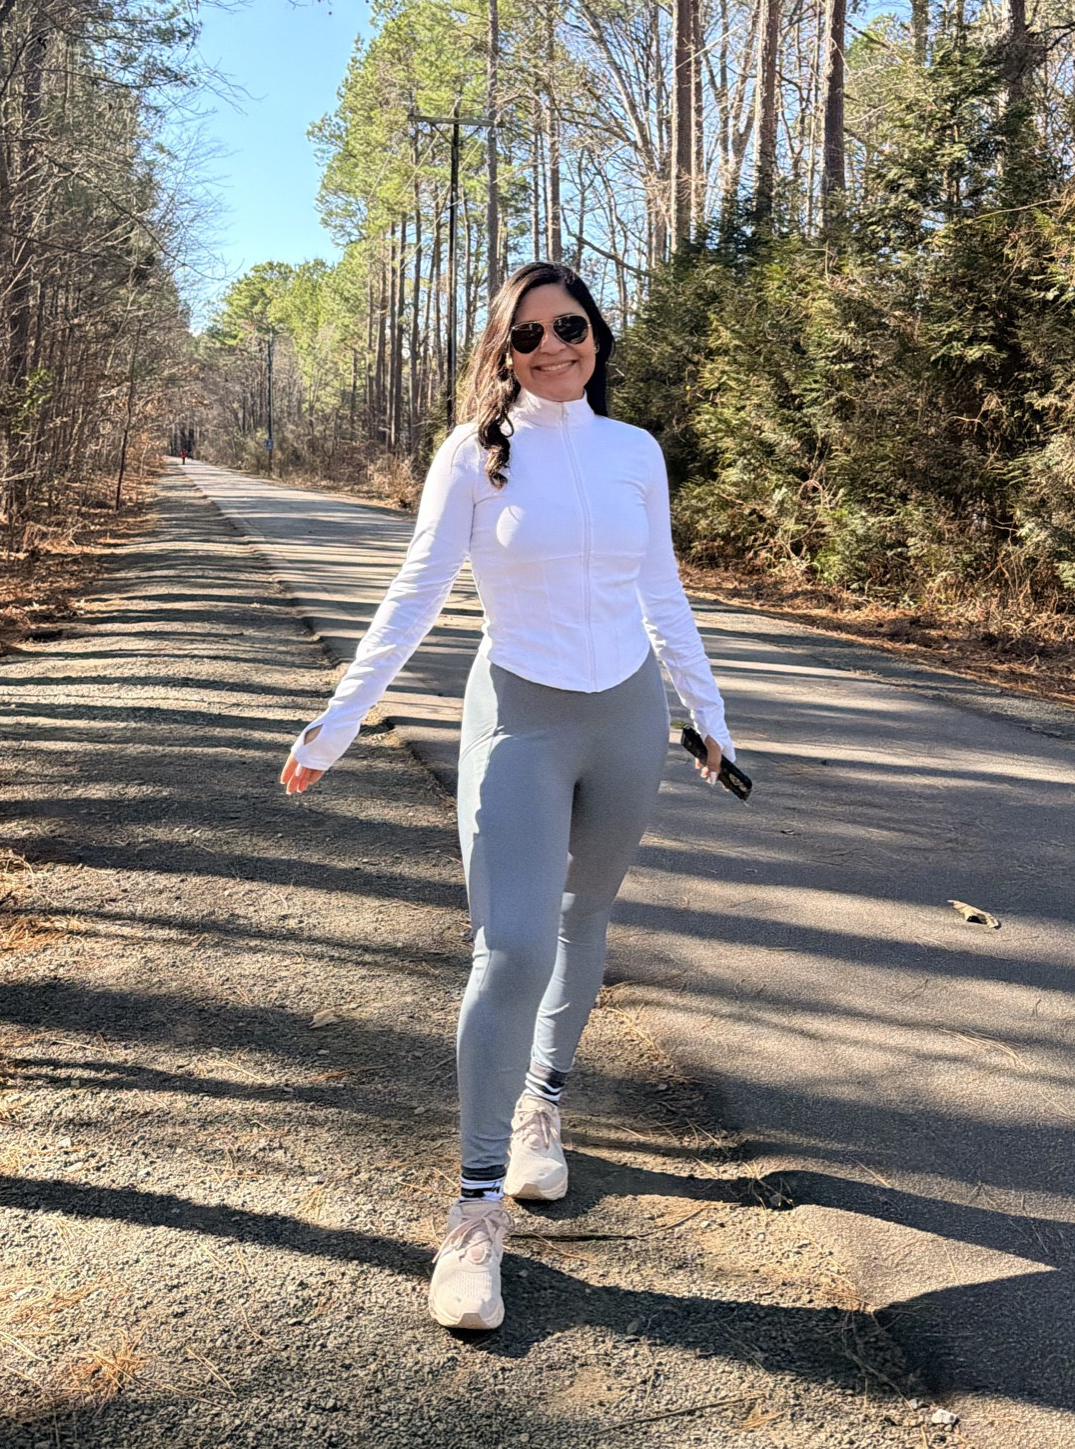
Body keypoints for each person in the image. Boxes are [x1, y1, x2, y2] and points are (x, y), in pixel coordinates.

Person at [279, 261, 735, 1332]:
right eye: (528, 335)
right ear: (502, 351)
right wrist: (340, 720)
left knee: (586, 915)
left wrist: (709, 711)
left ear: (597, 333)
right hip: (522, 716)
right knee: (513, 942)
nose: (553, 347)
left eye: (569, 325)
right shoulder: (476, 457)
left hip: (624, 719)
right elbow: (417, 590)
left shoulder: (635, 452)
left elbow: (660, 585)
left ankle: (544, 1108)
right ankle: (477, 1210)